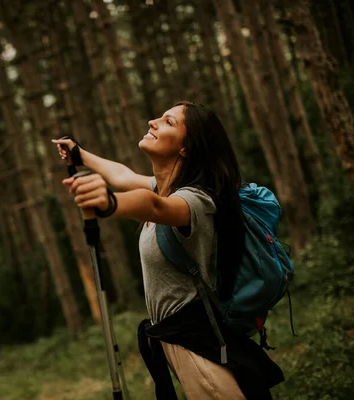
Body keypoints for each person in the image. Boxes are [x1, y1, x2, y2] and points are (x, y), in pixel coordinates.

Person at [52, 101, 284, 400]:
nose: (152, 122)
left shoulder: (194, 201)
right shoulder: (164, 187)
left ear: (186, 148)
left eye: (168, 122)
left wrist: (111, 204)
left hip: (200, 346)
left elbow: (156, 207)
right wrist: (79, 154)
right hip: (184, 343)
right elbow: (123, 177)